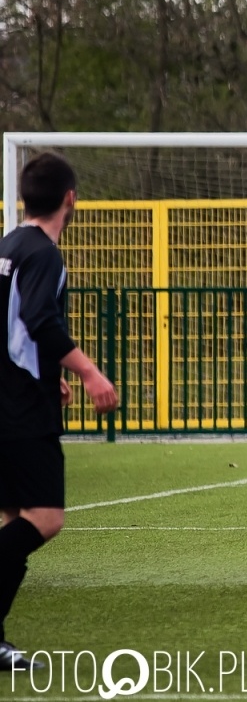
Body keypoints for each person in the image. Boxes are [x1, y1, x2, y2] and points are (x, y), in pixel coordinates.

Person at [0, 154, 119, 673]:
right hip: (20, 410)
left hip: (13, 394)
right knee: (44, 519)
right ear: (70, 198)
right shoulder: (44, 253)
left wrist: (51, 375)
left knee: (11, 520)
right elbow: (38, 318)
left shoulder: (7, 247)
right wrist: (90, 373)